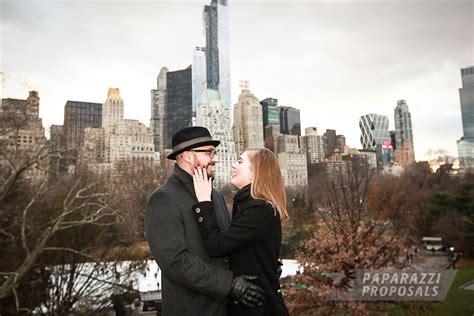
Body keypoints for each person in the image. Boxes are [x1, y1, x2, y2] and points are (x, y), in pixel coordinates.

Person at [145, 127, 265, 315]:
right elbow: (175, 261)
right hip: (191, 310)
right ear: (187, 156)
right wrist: (229, 284)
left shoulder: (215, 196)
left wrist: (262, 266)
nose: (215, 159)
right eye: (209, 152)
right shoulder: (163, 198)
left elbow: (225, 246)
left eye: (214, 152)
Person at [192, 148, 290, 315]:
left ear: (255, 173)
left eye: (239, 161)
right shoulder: (251, 205)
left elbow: (216, 246)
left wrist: (204, 202)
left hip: (258, 309)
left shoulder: (259, 209)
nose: (232, 165)